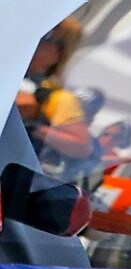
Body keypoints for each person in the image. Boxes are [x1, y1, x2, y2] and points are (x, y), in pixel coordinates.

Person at [17, 18, 94, 174]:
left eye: (46, 38)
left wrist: (30, 127)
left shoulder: (57, 97)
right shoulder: (13, 75)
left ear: (58, 54)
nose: (37, 40)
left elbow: (81, 146)